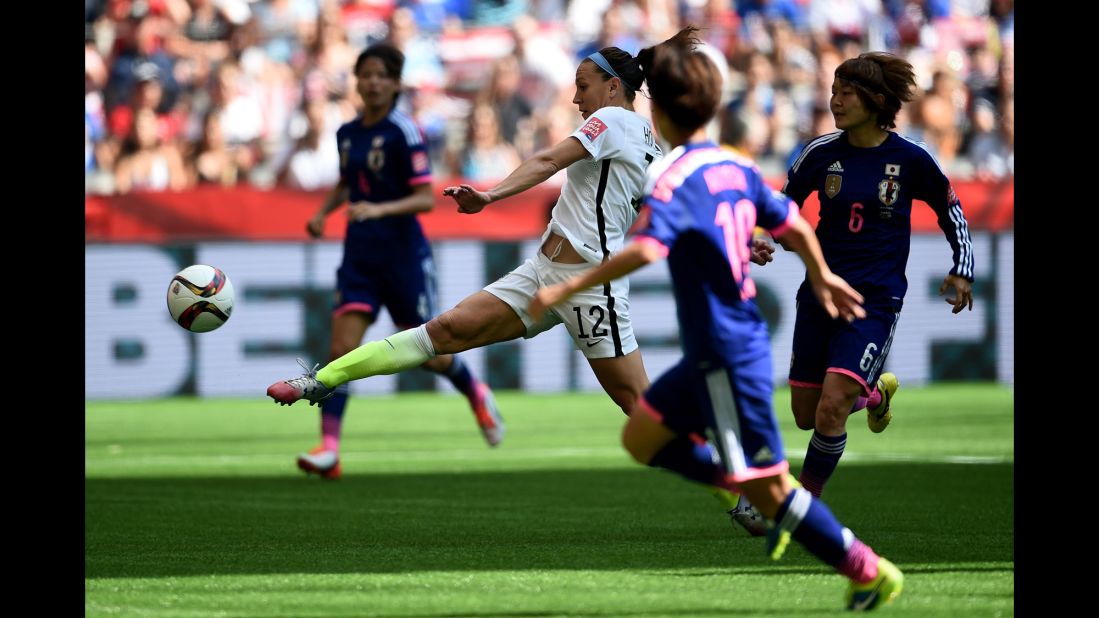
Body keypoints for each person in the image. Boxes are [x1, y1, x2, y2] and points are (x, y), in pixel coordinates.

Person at [528, 28, 903, 611]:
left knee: (772, 489)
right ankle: (742, 482)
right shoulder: (732, 166)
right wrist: (822, 273)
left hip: (727, 351)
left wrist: (575, 282)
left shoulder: (673, 177)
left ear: (665, 114)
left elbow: (648, 249)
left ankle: (866, 568)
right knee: (642, 435)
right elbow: (790, 223)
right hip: (716, 349)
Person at [284, 43, 505, 480]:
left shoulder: (405, 131)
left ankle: (475, 390)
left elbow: (425, 199)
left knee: (427, 351)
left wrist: (377, 209)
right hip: (360, 258)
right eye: (364, 74)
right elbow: (350, 182)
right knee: (339, 350)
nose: (371, 82)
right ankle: (329, 449)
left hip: (403, 258)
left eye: (380, 75)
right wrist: (323, 212)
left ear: (395, 83)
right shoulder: (346, 132)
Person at [777, 52, 974, 500]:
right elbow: (781, 207)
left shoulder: (911, 159)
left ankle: (803, 503)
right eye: (833, 92)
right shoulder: (820, 153)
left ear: (875, 100)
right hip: (820, 293)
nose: (835, 101)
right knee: (806, 414)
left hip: (876, 300)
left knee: (830, 410)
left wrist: (963, 268)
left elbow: (951, 210)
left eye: (846, 93)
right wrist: (764, 235)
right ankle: (873, 397)